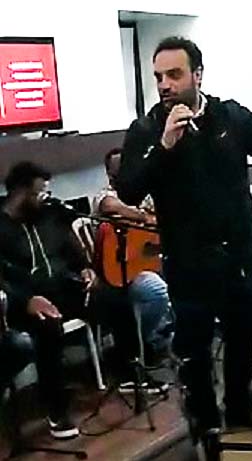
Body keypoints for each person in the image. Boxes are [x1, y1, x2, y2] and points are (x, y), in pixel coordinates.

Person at [117, 36, 252, 432]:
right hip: (188, 264)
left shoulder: (229, 116)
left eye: (174, 74)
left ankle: (240, 409)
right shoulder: (146, 129)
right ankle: (206, 425)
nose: (165, 85)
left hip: (239, 256)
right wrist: (164, 146)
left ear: (198, 75)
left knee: (242, 341)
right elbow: (128, 190)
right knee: (194, 352)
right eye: (159, 77)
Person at [0, 162, 140, 439]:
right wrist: (26, 299)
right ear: (20, 193)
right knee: (48, 327)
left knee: (114, 299)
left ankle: (128, 373)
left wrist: (86, 269)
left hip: (62, 290)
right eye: (39, 193)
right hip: (23, 302)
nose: (45, 198)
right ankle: (56, 410)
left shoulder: (49, 216)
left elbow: (72, 250)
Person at [93, 147, 172, 364]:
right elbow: (110, 206)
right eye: (117, 167)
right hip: (119, 273)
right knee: (157, 291)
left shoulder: (145, 194)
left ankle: (163, 337)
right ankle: (138, 343)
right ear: (109, 173)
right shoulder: (105, 195)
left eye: (125, 165)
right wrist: (142, 216)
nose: (122, 171)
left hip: (151, 261)